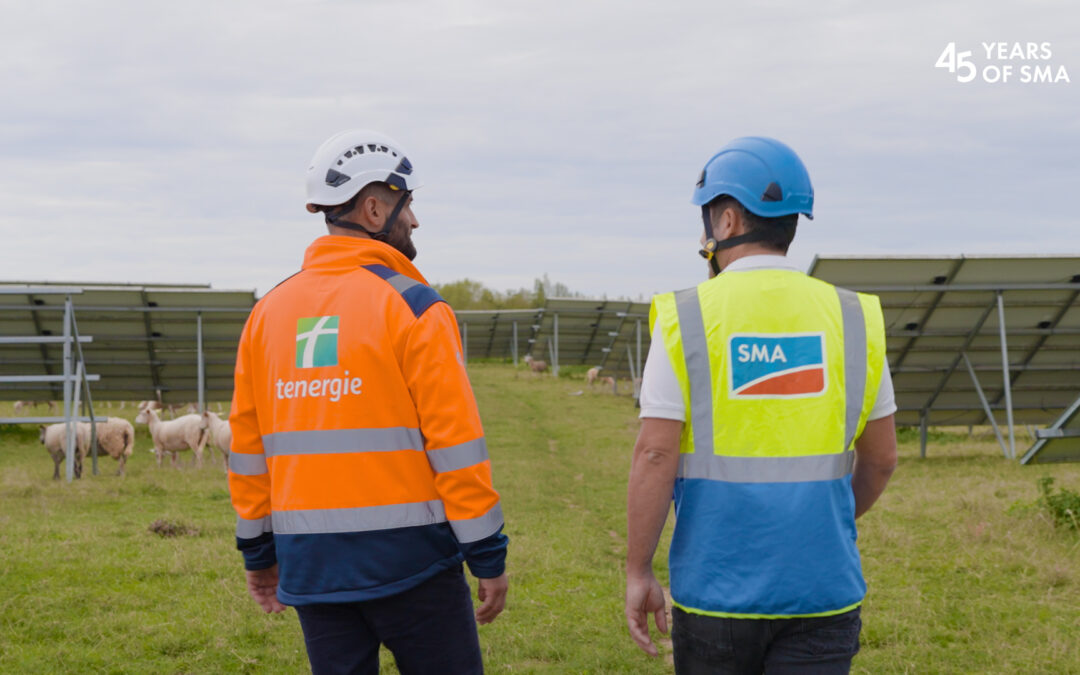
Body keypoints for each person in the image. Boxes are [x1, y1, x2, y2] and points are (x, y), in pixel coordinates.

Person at [228, 129, 509, 675]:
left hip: (311, 571)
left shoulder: (268, 314)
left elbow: (247, 450)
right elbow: (456, 446)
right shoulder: (416, 308)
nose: (415, 220)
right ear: (375, 208)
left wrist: (259, 554)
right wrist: (487, 556)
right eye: (409, 204)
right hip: (416, 568)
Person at [624, 137, 897, 674]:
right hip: (823, 589)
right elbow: (882, 459)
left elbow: (655, 456)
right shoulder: (854, 318)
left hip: (715, 592)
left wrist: (638, 570)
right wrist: (825, 522)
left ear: (726, 220)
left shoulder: (684, 318)